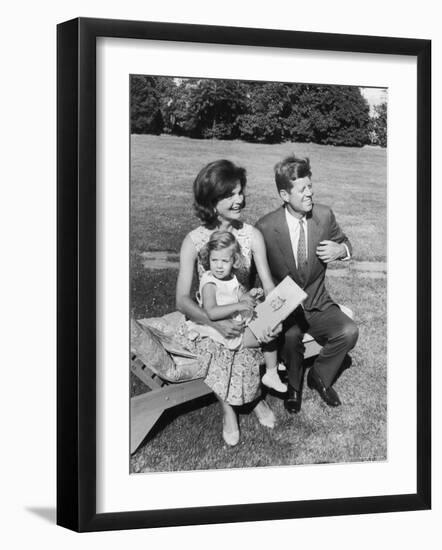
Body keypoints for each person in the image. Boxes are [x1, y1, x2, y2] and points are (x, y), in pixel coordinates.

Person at [175, 159, 282, 447]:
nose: (239, 200)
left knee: (251, 340)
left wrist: (273, 317)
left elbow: (269, 287)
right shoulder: (194, 241)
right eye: (230, 195)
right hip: (209, 316)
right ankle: (229, 410)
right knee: (221, 348)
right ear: (211, 200)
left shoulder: (251, 236)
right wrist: (215, 323)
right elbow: (182, 299)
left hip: (245, 311)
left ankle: (254, 397)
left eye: (240, 192)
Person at [256, 154, 359, 414]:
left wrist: (340, 250)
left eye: (310, 186)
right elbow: (251, 275)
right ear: (284, 194)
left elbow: (347, 244)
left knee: (348, 331)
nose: (309, 194)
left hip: (318, 302)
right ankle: (294, 387)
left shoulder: (323, 216)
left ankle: (319, 377)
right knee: (291, 337)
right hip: (286, 308)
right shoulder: (266, 227)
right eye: (302, 189)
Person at [187, 230, 287, 392]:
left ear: (234, 261)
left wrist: (252, 295)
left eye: (224, 261)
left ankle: (273, 365)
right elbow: (211, 312)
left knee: (273, 321)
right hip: (223, 329)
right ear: (208, 258)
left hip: (238, 319)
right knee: (270, 331)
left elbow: (242, 297)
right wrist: (238, 306)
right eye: (214, 260)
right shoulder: (209, 282)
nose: (219, 266)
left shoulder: (231, 278)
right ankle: (272, 371)